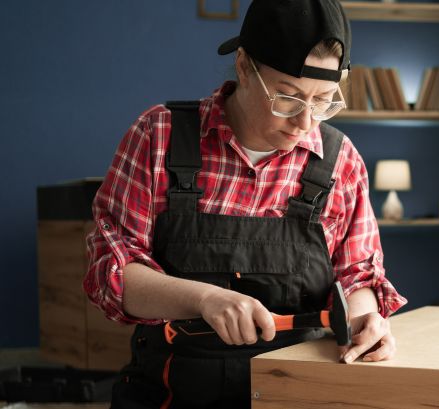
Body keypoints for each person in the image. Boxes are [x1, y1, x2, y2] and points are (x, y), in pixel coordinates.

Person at [83, 1, 407, 407]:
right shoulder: (159, 136)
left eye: (323, 101)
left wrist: (363, 319)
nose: (305, 122)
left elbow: (358, 276)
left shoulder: (340, 161)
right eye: (288, 98)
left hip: (296, 393)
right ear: (243, 67)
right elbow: (110, 272)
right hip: (169, 392)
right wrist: (203, 299)